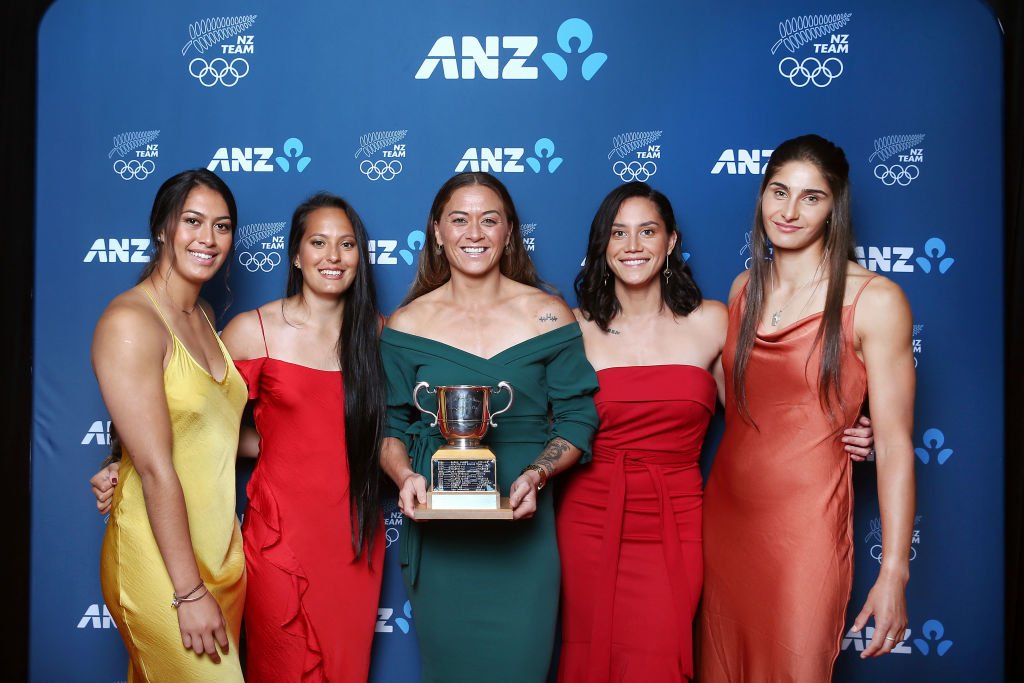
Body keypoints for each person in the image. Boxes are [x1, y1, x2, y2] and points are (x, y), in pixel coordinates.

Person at [557, 182, 874, 683]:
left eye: (647, 232)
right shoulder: (571, 329)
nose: (633, 245)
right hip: (589, 518)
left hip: (676, 519)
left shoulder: (711, 321)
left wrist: (843, 426)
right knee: (591, 653)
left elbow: (763, 411)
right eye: (618, 233)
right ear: (602, 247)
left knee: (662, 658)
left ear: (671, 242)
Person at [93, 192, 387, 682]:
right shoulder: (250, 331)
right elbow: (181, 406)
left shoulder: (377, 335)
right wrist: (119, 459)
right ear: (295, 253)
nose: (333, 257)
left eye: (347, 244)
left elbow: (217, 422)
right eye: (318, 242)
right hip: (276, 536)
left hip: (352, 538)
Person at [699, 134, 916, 681]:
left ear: (834, 207)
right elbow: (745, 403)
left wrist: (893, 572)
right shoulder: (743, 288)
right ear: (761, 195)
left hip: (805, 531)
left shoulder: (876, 300)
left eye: (811, 197)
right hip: (725, 519)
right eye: (779, 192)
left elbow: (892, 444)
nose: (789, 211)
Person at [379, 171, 600, 683]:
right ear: (437, 231)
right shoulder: (407, 324)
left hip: (523, 542)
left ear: (509, 232)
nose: (473, 232)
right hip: (442, 543)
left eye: (489, 219)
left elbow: (576, 418)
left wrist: (536, 475)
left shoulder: (549, 315)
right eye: (459, 219)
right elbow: (390, 425)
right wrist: (404, 477)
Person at [93, 169, 247, 680]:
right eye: (193, 221)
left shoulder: (202, 315)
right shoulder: (131, 322)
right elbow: (157, 468)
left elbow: (211, 433)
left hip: (218, 554)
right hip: (163, 565)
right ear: (163, 227)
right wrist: (188, 592)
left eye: (222, 226)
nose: (208, 239)